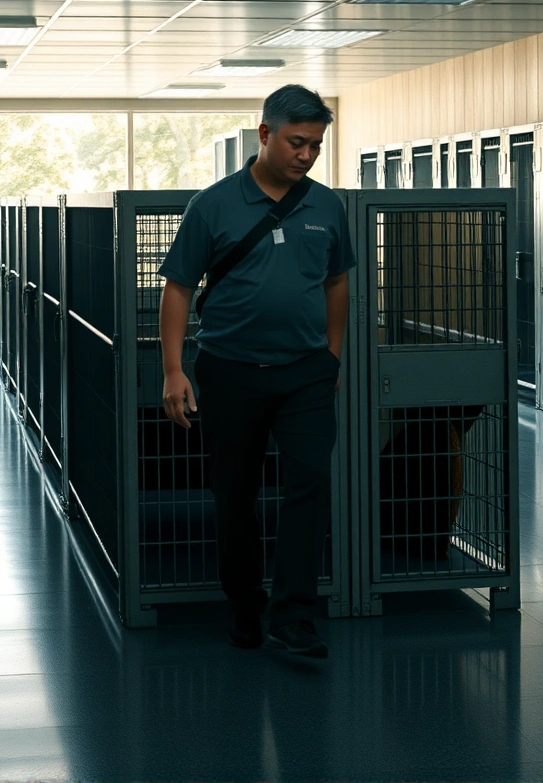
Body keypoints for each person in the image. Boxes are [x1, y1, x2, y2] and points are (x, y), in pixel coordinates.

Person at [158, 85, 353, 658]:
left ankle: (293, 616)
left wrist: (332, 355)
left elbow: (338, 282)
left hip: (306, 372)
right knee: (235, 493)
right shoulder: (213, 204)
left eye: (316, 145)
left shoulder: (326, 206)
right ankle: (245, 604)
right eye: (297, 142)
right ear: (264, 134)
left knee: (310, 484)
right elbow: (178, 288)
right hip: (230, 371)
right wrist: (173, 371)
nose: (306, 155)